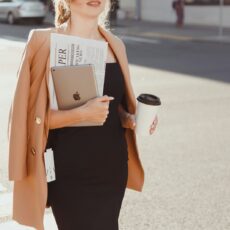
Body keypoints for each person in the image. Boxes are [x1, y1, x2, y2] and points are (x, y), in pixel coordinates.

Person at [7, 0, 158, 229]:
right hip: (69, 171)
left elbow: (115, 104)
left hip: (112, 167)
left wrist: (130, 119)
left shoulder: (115, 44)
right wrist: (81, 114)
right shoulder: (43, 42)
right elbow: (28, 120)